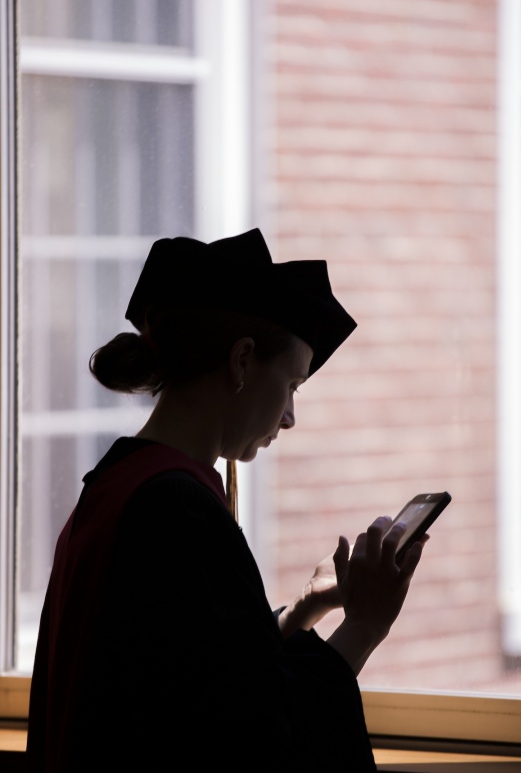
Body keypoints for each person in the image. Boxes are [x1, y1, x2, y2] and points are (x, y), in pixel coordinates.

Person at [25, 228, 427, 773]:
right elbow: (253, 748)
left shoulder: (117, 485)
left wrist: (300, 613)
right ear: (241, 362)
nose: (289, 416)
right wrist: (365, 625)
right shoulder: (176, 512)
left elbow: (192, 680)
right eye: (291, 385)